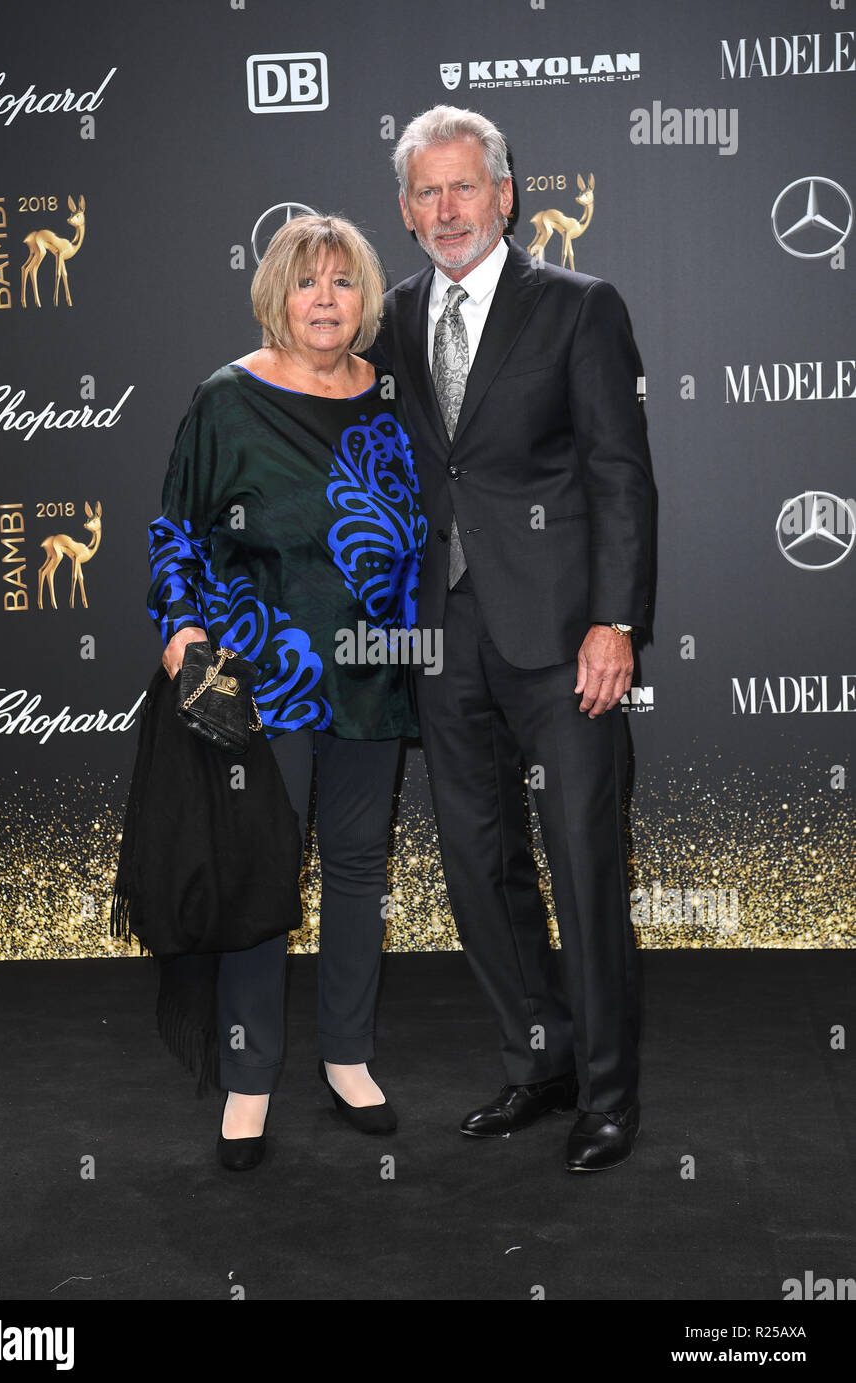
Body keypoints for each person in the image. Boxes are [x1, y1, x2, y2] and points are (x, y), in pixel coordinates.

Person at [371, 105, 654, 1172]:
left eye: (464, 187)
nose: (447, 210)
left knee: (583, 866)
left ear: (506, 195)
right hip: (440, 640)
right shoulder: (391, 318)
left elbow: (620, 475)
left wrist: (614, 622)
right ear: (405, 212)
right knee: (480, 869)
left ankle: (610, 1097)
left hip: (563, 636)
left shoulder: (579, 308)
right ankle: (538, 1062)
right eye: (426, 193)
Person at [147, 215, 426, 1171]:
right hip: (262, 681)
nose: (324, 300)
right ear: (276, 292)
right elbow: (174, 531)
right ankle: (249, 1077)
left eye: (343, 283)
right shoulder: (227, 399)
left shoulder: (389, 399)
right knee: (260, 875)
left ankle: (348, 1057)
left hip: (373, 672)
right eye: (307, 283)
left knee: (355, 869)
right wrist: (184, 638)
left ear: (365, 300)